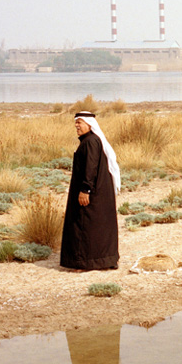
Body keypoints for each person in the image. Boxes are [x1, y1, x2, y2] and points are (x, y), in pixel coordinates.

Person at [61, 111, 120, 270]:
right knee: (98, 225)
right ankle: (104, 260)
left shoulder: (91, 142)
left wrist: (85, 189)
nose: (77, 126)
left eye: (79, 123)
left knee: (85, 224)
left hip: (92, 192)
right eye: (76, 123)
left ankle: (85, 261)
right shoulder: (91, 141)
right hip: (99, 192)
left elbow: (91, 167)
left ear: (89, 124)